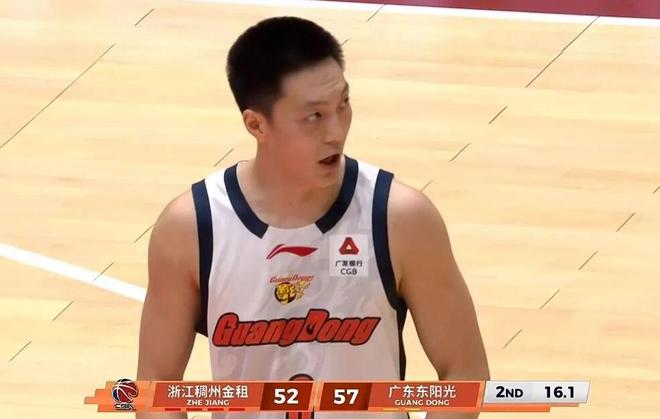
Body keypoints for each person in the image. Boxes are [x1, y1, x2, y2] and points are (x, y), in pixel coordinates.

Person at [137, 16, 489, 419]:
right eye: (314, 117)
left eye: (343, 104)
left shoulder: (401, 218)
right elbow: (156, 385)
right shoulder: (191, 228)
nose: (336, 131)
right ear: (257, 124)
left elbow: (465, 372)